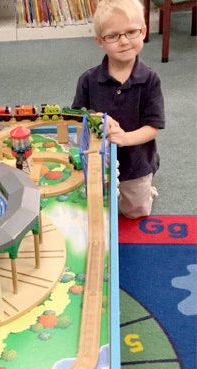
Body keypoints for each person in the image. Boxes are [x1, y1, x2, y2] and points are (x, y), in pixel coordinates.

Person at [72, 0, 165, 219]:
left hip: (137, 160)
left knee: (135, 212)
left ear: (143, 31)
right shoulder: (88, 79)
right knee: (96, 204)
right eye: (113, 35)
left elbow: (153, 127)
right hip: (99, 159)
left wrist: (124, 138)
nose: (123, 41)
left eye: (131, 32)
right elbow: (76, 116)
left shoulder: (150, 79)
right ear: (100, 41)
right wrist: (97, 118)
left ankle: (151, 170)